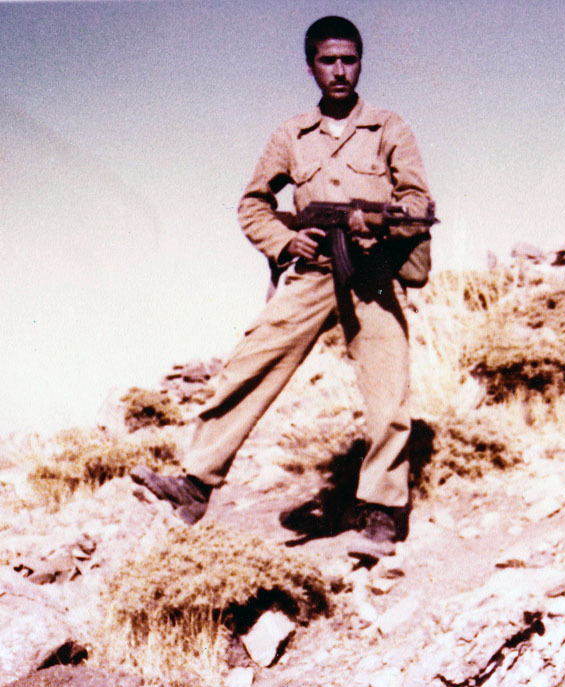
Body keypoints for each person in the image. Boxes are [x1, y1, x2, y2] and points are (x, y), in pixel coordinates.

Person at [132, 16, 432, 555]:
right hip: (314, 271)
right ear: (310, 65)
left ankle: (382, 512)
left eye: (349, 60)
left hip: (371, 273)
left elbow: (417, 203)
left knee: (388, 391)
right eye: (327, 60)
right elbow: (253, 204)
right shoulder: (291, 135)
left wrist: (375, 220)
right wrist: (286, 241)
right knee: (250, 362)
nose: (339, 71)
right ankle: (195, 484)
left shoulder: (389, 128)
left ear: (361, 63)